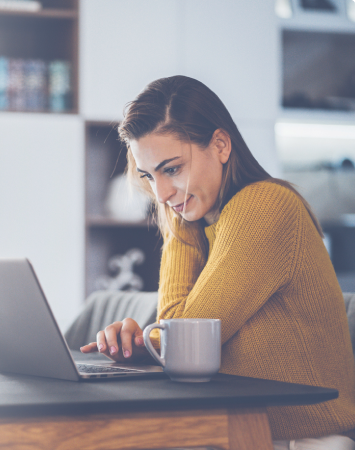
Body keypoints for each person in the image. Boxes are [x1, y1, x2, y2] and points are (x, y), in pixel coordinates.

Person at [80, 76, 355, 449]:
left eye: (172, 169)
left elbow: (185, 345)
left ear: (221, 145)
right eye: (149, 176)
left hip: (302, 440)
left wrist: (179, 224)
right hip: (239, 431)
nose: (160, 194)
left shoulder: (264, 206)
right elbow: (180, 336)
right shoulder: (208, 220)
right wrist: (142, 344)